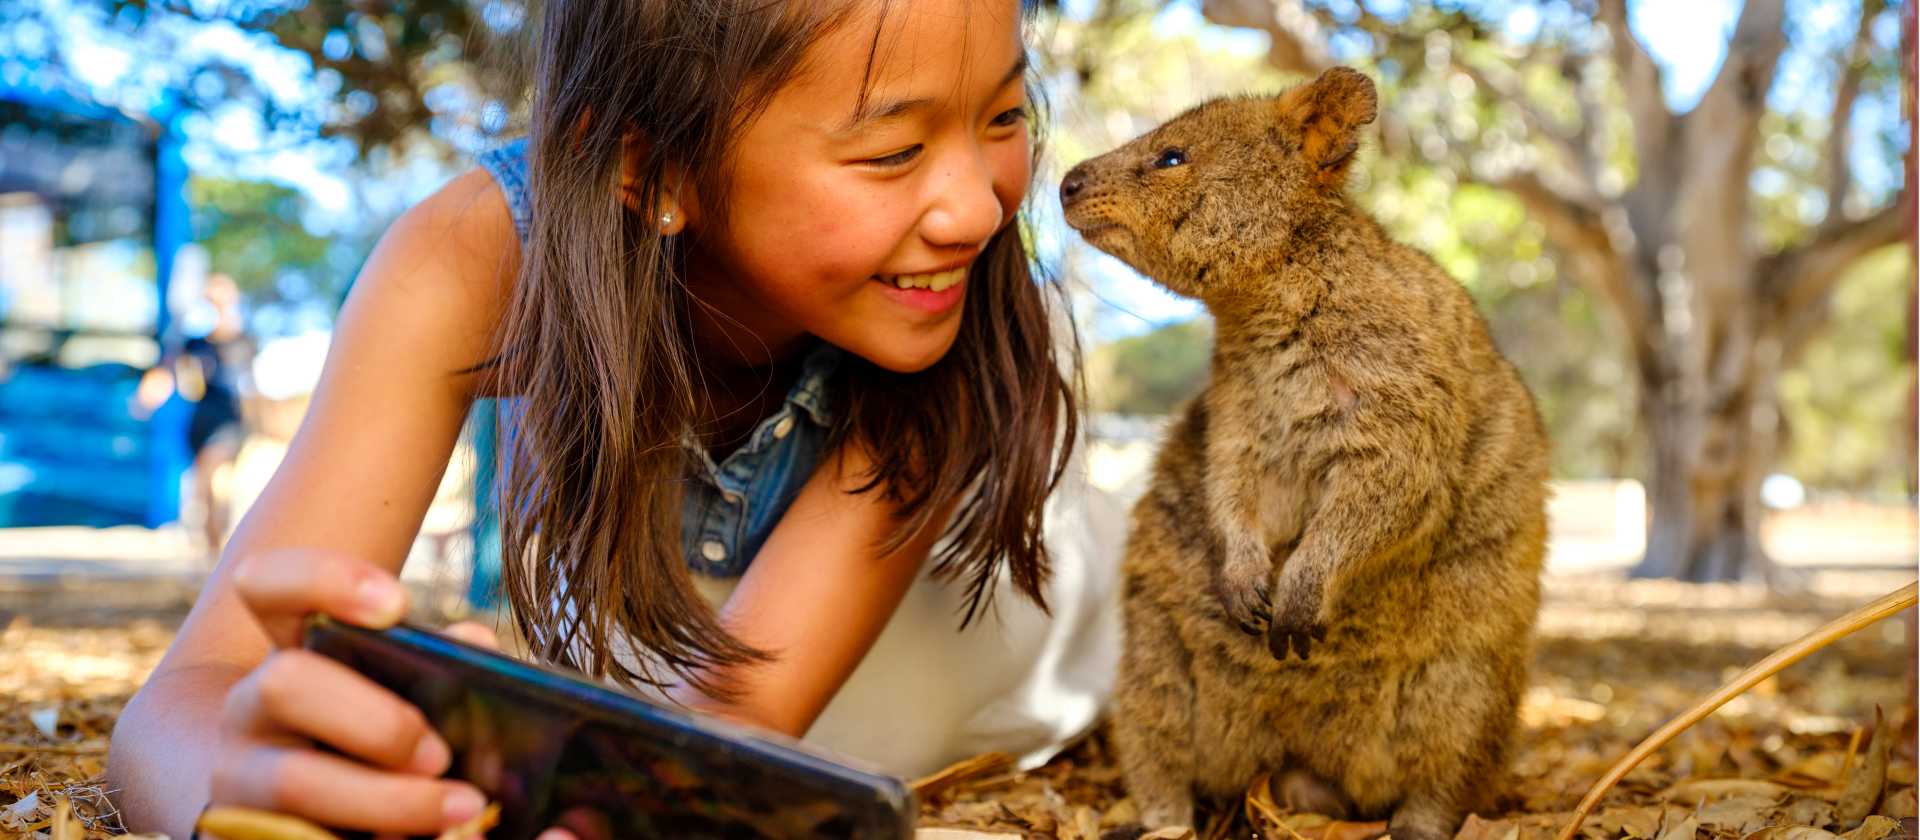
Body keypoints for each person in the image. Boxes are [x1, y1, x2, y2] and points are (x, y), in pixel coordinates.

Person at [105, 2, 1122, 838]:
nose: (981, 212)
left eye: (1002, 114)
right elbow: (189, 693)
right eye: (893, 151)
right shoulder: (472, 257)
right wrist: (229, 794)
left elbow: (737, 718)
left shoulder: (961, 306)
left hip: (1020, 616)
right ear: (650, 170)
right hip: (690, 632)